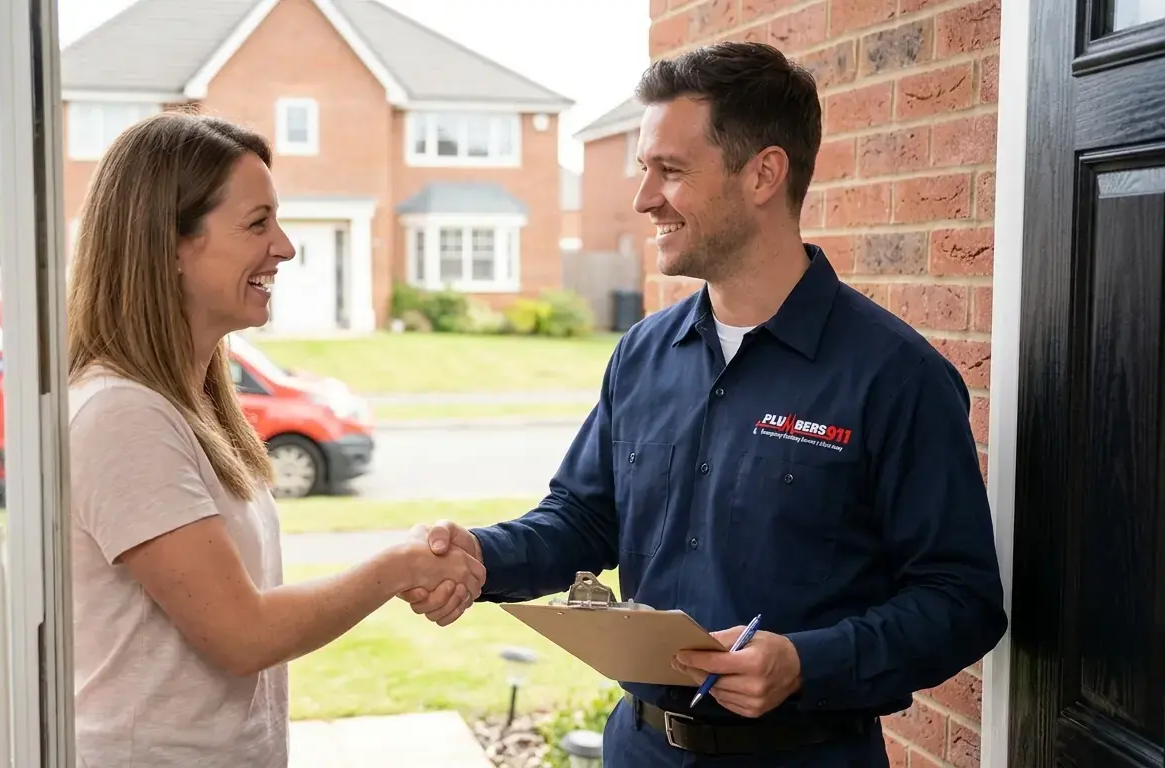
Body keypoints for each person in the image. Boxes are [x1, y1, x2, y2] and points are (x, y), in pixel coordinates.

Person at [402, 41, 1007, 767]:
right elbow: (586, 518)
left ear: (764, 173)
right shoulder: (643, 354)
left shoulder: (894, 376)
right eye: (643, 171)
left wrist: (805, 663)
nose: (643, 198)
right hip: (640, 750)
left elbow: (961, 601)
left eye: (672, 170)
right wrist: (482, 554)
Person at [63, 111, 484, 768]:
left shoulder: (190, 402)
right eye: (258, 224)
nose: (285, 247)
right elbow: (241, 634)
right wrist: (399, 566)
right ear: (171, 245)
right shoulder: (122, 415)